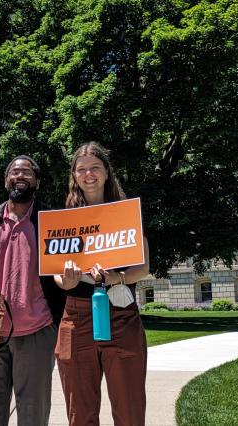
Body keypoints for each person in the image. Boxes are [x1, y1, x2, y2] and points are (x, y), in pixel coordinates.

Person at [54, 142, 150, 426]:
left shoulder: (126, 214)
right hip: (77, 317)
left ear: (107, 172)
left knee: (129, 410)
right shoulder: (63, 221)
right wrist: (66, 281)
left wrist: (115, 278)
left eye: (95, 167)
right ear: (74, 176)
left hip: (121, 313)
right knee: (80, 413)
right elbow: (56, 274)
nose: (89, 174)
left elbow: (142, 267)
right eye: (81, 169)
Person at [0, 155, 65, 425]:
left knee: (33, 414)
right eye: (15, 172)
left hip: (38, 329)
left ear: (36, 181)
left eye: (27, 172)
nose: (21, 176)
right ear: (6, 181)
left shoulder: (52, 222)